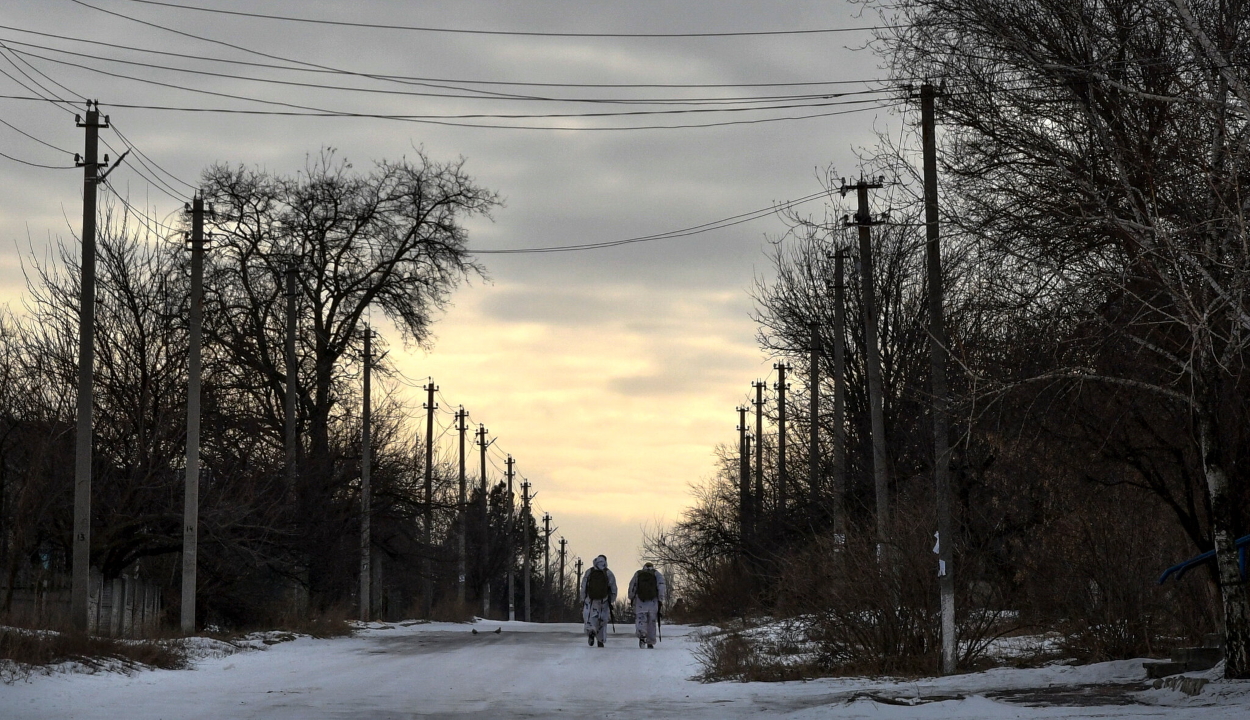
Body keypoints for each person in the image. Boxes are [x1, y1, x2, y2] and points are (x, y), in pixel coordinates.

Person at [580, 554, 616, 648]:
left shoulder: (589, 571)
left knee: (590, 617)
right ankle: (600, 640)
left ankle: (591, 631)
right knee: (602, 620)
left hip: (590, 600)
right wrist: (611, 600)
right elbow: (613, 588)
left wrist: (583, 598)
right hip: (603, 600)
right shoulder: (608, 573)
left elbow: (583, 586)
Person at [627, 562, 666, 649]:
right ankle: (650, 642)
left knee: (641, 618)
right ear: (652, 567)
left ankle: (642, 635)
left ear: (644, 567)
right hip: (653, 601)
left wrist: (631, 597)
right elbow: (661, 587)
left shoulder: (638, 574)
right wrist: (660, 599)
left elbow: (632, 586)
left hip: (640, 600)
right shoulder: (657, 574)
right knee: (651, 621)